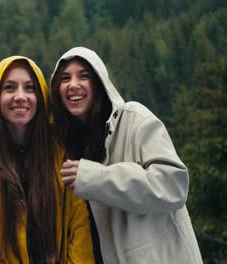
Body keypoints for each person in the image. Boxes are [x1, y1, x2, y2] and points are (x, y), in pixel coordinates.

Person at [50, 47, 203, 264]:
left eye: (84, 76)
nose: (73, 84)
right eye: (65, 78)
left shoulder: (134, 119)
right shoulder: (62, 147)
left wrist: (96, 178)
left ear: (100, 83)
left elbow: (174, 184)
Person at [0, 56, 95, 263]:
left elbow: (79, 229)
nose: (20, 96)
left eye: (29, 88)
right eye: (9, 88)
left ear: (41, 96)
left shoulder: (63, 156)